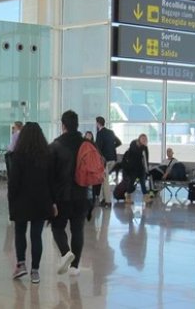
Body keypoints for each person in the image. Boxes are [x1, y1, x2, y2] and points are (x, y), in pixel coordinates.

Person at [7, 122, 55, 284]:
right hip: (41, 201)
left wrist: (11, 200)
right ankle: (35, 271)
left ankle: (21, 264)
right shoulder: (47, 155)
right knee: (36, 235)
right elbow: (51, 181)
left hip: (21, 200)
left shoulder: (18, 155)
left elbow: (13, 182)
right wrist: (52, 202)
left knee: (20, 232)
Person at [49, 110, 88, 276]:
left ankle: (66, 253)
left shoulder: (56, 145)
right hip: (81, 194)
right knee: (78, 229)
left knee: (57, 227)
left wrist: (50, 199)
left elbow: (49, 174)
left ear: (63, 125)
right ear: (77, 124)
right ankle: (75, 267)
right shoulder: (86, 144)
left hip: (62, 195)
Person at [94, 116, 122, 208]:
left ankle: (108, 201)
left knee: (105, 180)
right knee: (104, 178)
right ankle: (101, 199)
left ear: (98, 123)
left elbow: (98, 148)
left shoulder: (100, 133)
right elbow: (119, 142)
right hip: (113, 159)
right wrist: (112, 147)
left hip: (104, 160)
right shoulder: (111, 132)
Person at [122, 133, 150, 203]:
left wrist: (147, 169)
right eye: (143, 138)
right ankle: (127, 197)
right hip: (132, 168)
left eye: (145, 139)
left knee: (143, 183)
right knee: (131, 182)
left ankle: (146, 198)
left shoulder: (145, 148)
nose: (144, 140)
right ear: (139, 138)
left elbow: (146, 159)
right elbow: (135, 152)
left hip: (141, 168)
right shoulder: (133, 143)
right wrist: (143, 147)